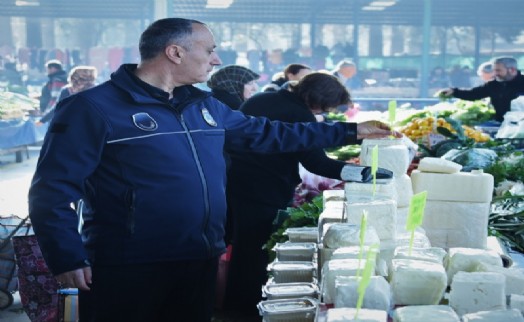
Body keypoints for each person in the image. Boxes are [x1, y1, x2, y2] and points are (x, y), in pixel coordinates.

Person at [28, 18, 398, 322]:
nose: (216, 60)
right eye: (209, 50)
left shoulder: (204, 106)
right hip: (130, 263)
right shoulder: (92, 109)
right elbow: (53, 190)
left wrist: (349, 130)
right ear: (175, 52)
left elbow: (269, 133)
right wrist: (66, 255)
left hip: (198, 255)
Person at [223, 72, 391, 317]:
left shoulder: (262, 98)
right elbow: (317, 163)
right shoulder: (298, 114)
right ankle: (249, 309)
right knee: (256, 253)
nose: (327, 112)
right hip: (265, 188)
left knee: (242, 248)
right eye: (329, 107)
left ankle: (235, 304)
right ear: (319, 101)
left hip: (234, 183)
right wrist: (364, 173)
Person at [439, 57, 524, 122]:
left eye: (498, 70)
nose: (495, 74)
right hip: (501, 124)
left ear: (512, 70)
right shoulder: (493, 85)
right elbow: (473, 94)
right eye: (494, 70)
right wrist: (454, 92)